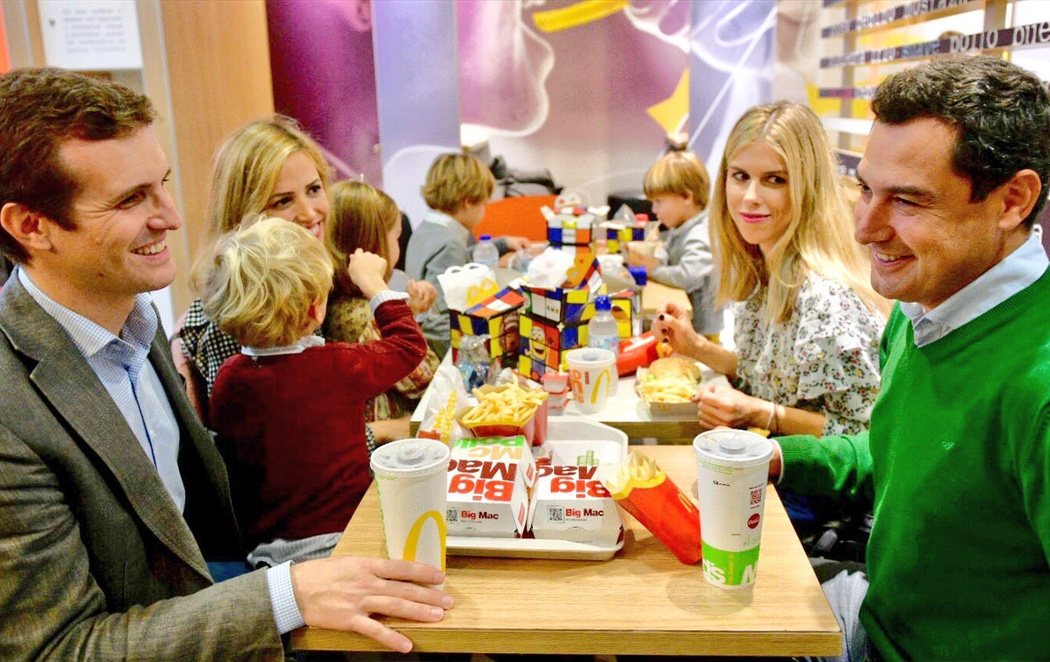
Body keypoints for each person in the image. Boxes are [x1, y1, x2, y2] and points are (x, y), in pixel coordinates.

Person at [0, 67, 450, 659]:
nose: (171, 216)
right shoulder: (13, 410)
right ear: (31, 227)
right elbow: (57, 649)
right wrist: (285, 594)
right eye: (132, 199)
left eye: (161, 184)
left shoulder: (138, 329)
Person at [771, 55, 1050, 660]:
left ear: (1013, 200)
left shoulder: (1039, 386)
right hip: (877, 618)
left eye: (908, 201)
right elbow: (895, 454)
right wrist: (774, 455)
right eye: (866, 189)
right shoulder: (924, 303)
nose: (865, 228)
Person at [655, 102, 887, 438]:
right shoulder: (763, 269)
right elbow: (766, 377)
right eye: (740, 176)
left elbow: (864, 436)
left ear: (808, 189)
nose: (749, 197)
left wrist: (760, 413)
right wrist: (695, 347)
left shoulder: (827, 300)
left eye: (774, 180)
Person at [203, 217, 427, 563]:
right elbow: (409, 346)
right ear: (315, 306)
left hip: (267, 553)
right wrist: (374, 284)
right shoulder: (336, 365)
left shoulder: (230, 379)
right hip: (347, 537)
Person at [178, 115, 332, 399]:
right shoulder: (232, 311)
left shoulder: (325, 272)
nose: (310, 213)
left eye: (313, 189)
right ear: (243, 213)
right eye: (283, 201)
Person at [325, 180, 441, 443]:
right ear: (374, 244)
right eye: (396, 237)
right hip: (388, 445)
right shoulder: (364, 316)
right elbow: (423, 378)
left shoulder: (339, 304)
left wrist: (409, 311)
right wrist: (403, 316)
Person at [405, 152, 526, 355]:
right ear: (468, 201)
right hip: (439, 352)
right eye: (483, 204)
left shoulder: (427, 228)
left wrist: (503, 243)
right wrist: (467, 359)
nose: (484, 211)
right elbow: (440, 322)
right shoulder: (451, 244)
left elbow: (460, 259)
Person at [627, 150, 722, 341]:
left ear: (687, 197)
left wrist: (653, 269)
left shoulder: (700, 234)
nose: (654, 210)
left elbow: (688, 277)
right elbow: (666, 248)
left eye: (659, 201)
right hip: (688, 324)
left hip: (702, 332)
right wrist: (656, 258)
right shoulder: (681, 227)